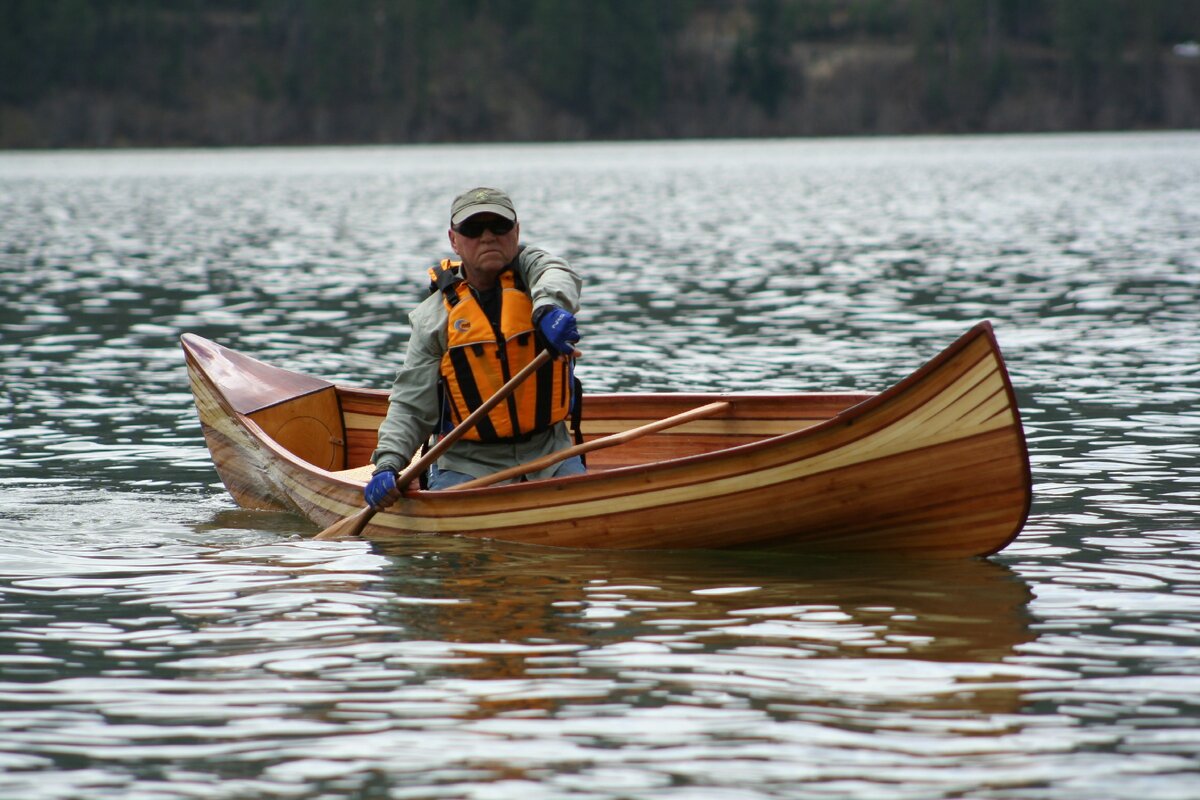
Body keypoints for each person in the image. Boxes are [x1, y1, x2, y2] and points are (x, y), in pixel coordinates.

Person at [364, 187, 584, 509]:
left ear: (516, 232)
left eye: (499, 226)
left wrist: (549, 310)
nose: (487, 237)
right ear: (454, 240)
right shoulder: (433, 319)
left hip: (550, 453)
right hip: (466, 463)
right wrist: (387, 464)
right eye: (473, 229)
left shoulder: (536, 273)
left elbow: (558, 275)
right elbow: (411, 406)